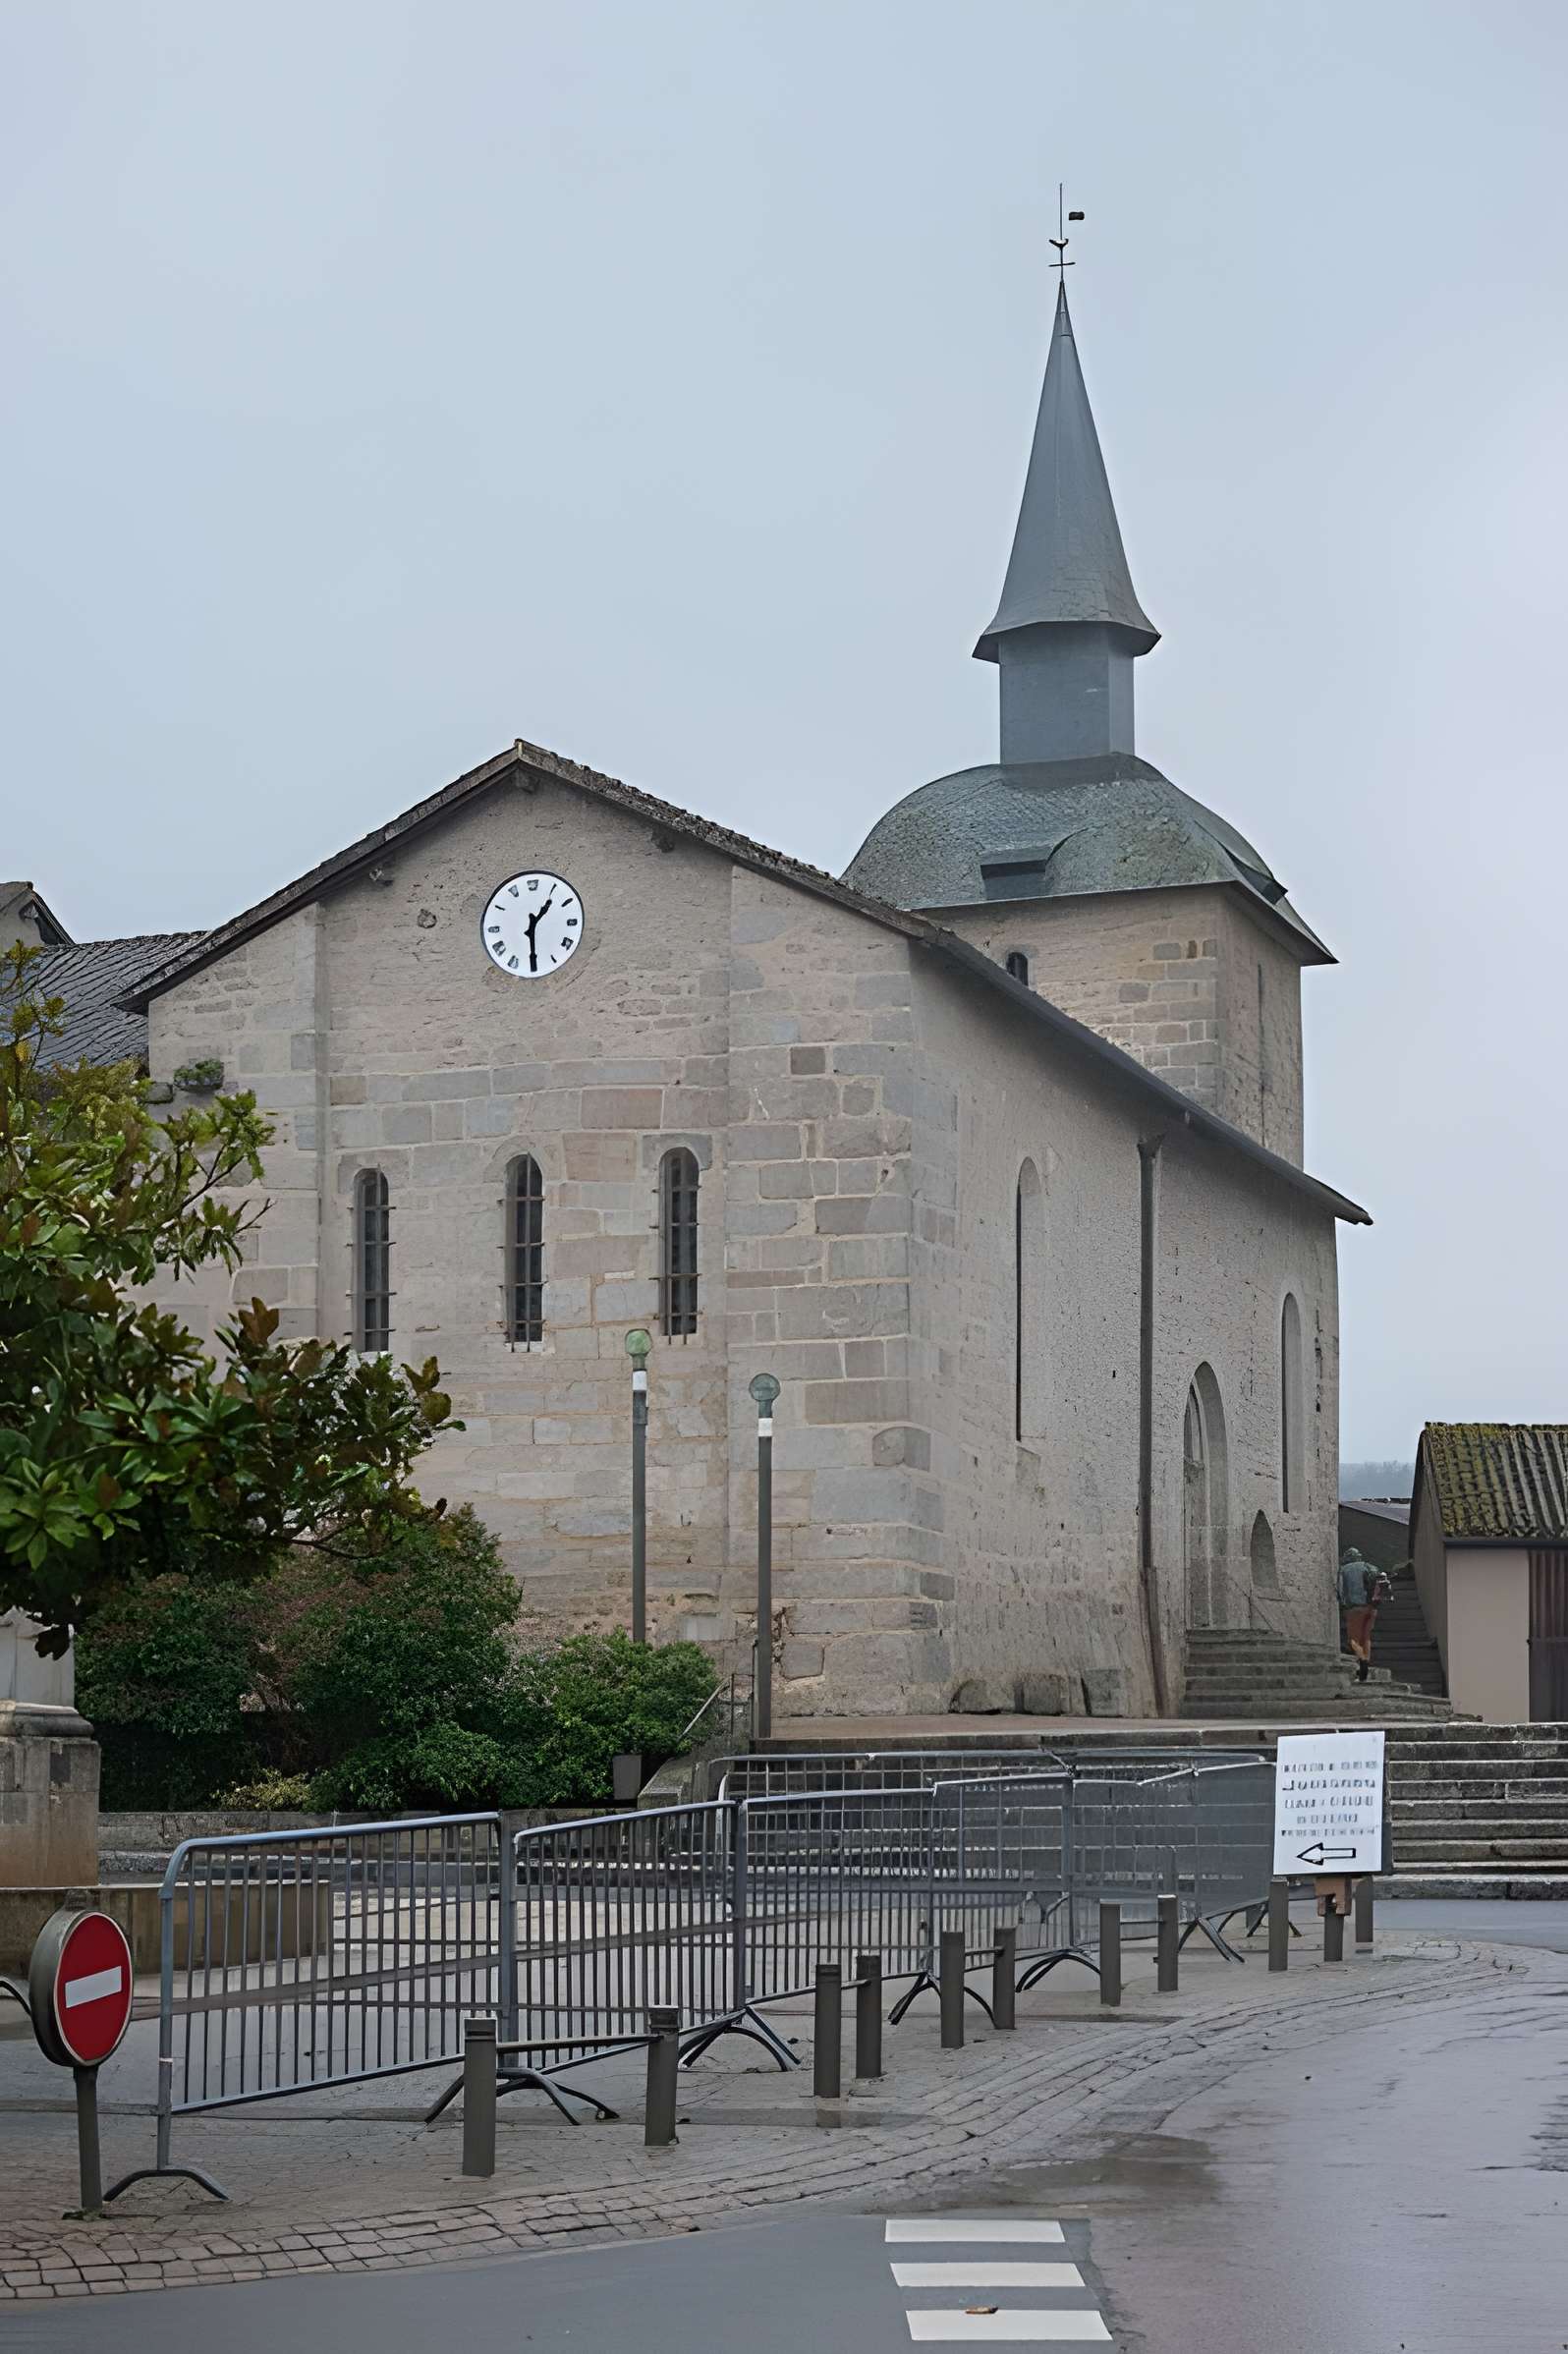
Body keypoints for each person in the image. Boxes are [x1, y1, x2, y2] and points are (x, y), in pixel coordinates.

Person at [1338, 1545, 1384, 1683]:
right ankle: (1366, 1666)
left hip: (1355, 1608)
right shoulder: (1369, 1566)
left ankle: (1363, 1662)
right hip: (1372, 1607)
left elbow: (1340, 1590)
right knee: (1366, 1638)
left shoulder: (1344, 1570)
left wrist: (1343, 1604)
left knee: (1353, 1640)